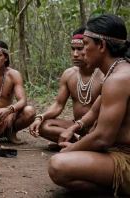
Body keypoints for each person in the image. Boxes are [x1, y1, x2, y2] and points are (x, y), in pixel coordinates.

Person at [48, 14, 130, 196]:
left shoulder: (119, 78)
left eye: (85, 44)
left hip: (125, 158)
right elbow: (94, 111)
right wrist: (75, 129)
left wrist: (70, 149)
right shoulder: (116, 72)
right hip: (115, 150)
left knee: (58, 165)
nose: (81, 52)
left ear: (101, 45)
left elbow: (102, 138)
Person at [29, 27, 103, 143]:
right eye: (73, 49)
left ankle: (80, 142)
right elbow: (58, 105)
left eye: (80, 49)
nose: (75, 54)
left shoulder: (103, 75)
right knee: (44, 126)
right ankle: (81, 141)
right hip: (76, 126)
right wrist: (40, 117)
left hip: (97, 127)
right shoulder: (68, 74)